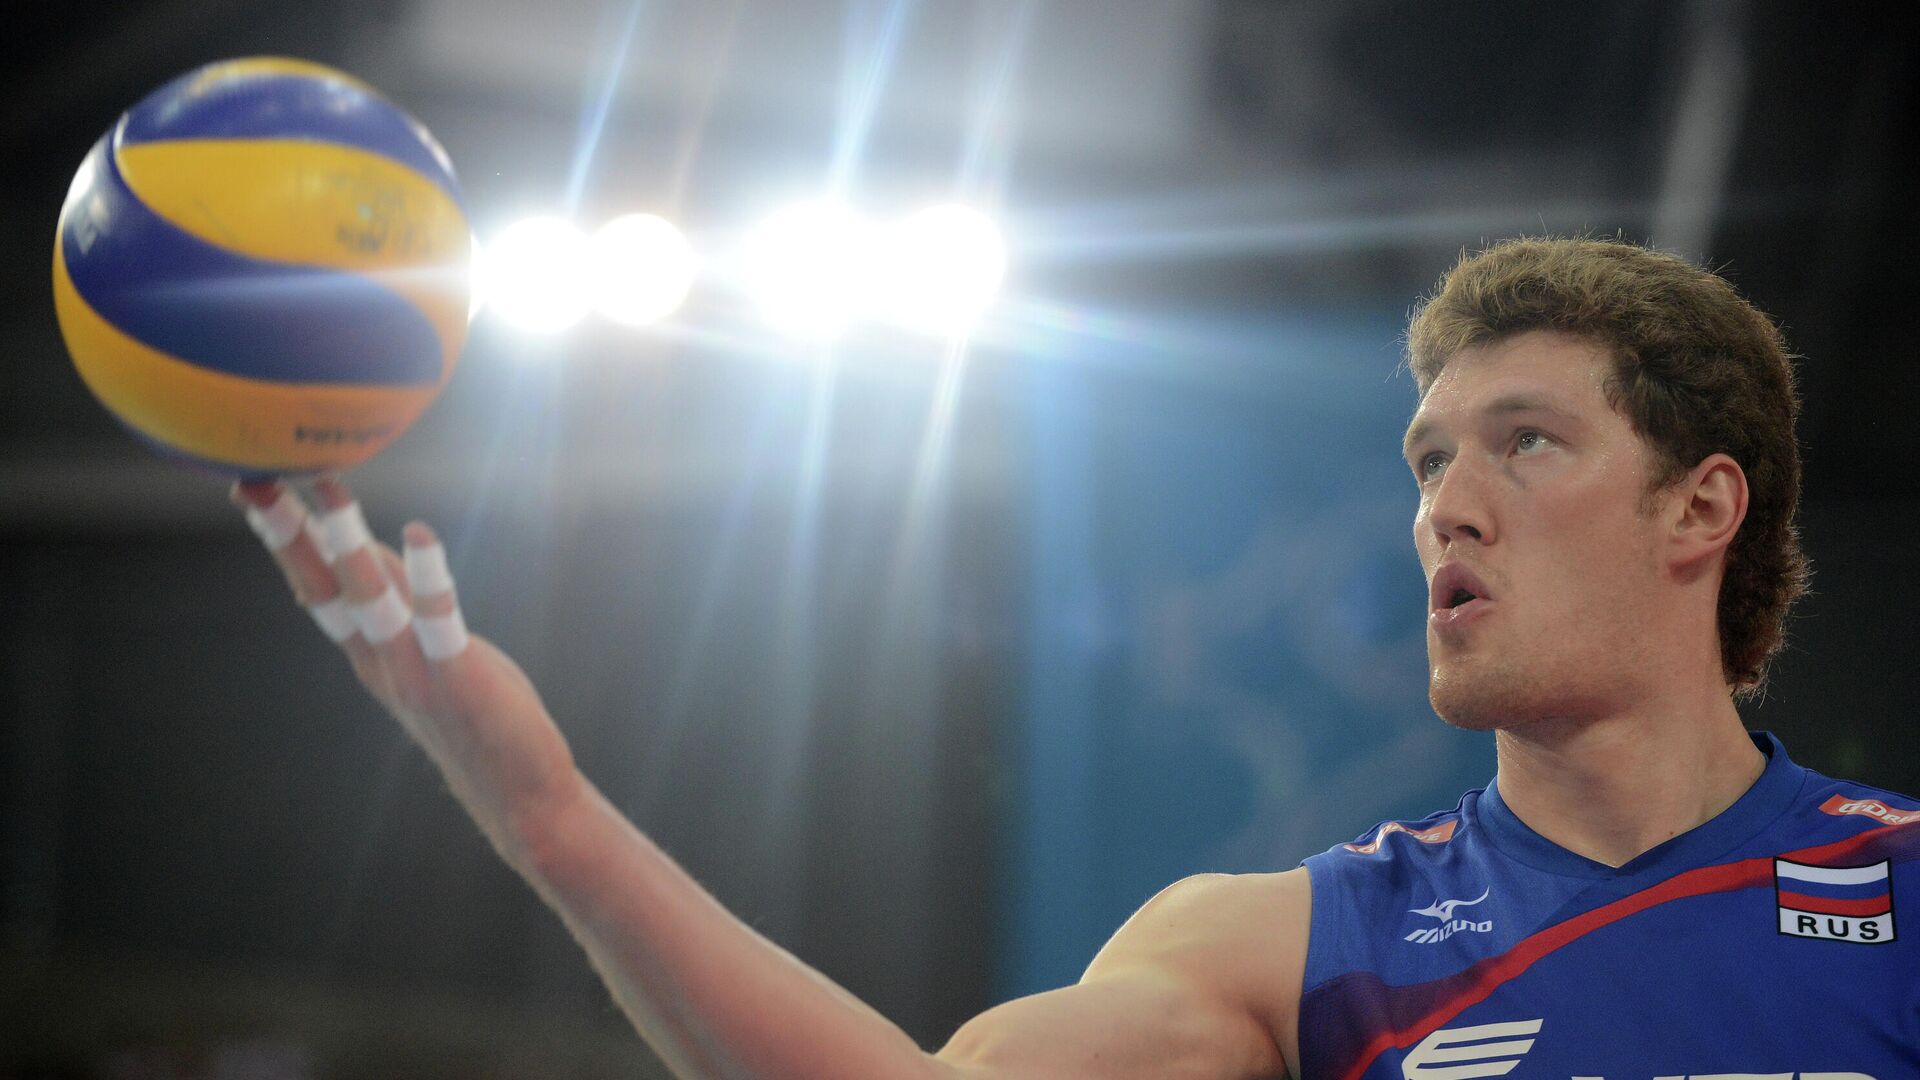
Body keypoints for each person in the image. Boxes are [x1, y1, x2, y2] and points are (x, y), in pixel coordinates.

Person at [231, 236, 1919, 1079]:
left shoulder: (1899, 897)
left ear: (1701, 507)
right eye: (1427, 461)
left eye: (1526, 444)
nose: (1444, 509)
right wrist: (548, 815)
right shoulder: (1294, 948)